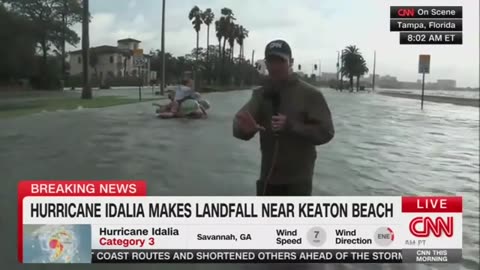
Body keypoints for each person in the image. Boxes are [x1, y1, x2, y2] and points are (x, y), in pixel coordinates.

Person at [232, 39, 335, 196]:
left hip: (298, 183)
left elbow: (326, 132)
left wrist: (292, 126)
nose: (275, 67)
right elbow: (240, 121)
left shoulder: (311, 94)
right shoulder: (260, 95)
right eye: (271, 62)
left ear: (291, 62)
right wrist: (243, 130)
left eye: (280, 61)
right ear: (266, 64)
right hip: (267, 181)